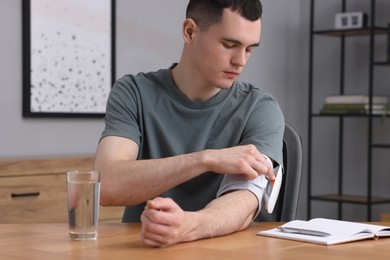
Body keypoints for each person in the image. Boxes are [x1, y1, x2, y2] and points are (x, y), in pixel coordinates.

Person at [94, 0, 284, 247]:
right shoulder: (133, 93)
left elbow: (245, 200)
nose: (241, 61)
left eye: (249, 49)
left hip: (229, 252)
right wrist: (205, 159)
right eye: (229, 45)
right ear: (190, 32)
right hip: (144, 249)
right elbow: (106, 184)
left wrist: (188, 226)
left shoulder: (260, 107)